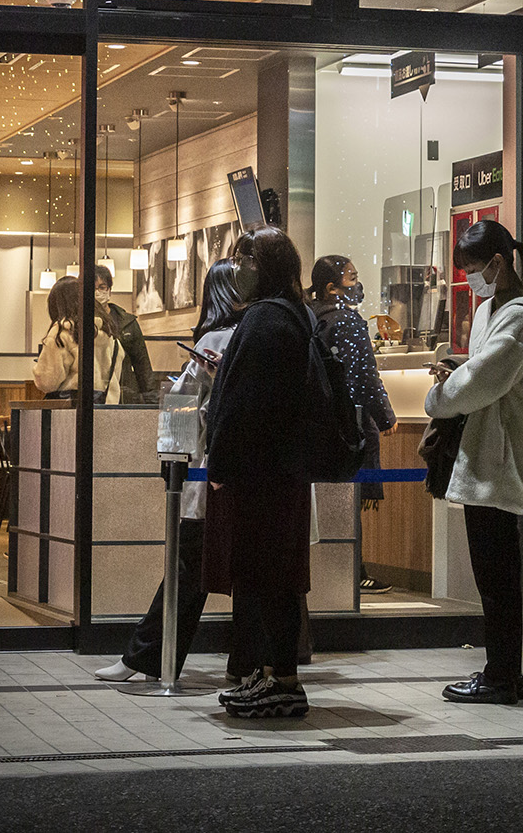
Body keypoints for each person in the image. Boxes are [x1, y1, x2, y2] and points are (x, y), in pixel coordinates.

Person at [93, 257, 246, 684]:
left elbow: (182, 406)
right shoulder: (259, 334)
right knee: (252, 578)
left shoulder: (217, 339)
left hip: (212, 477)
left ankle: (146, 658)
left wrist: (172, 462)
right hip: (256, 478)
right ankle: (250, 664)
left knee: (186, 571)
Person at [427, 220, 523, 705]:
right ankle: (503, 673)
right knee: (494, 578)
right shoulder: (491, 310)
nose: (469, 279)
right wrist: (458, 372)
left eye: (473, 269)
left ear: (498, 263)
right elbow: (482, 373)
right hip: (486, 456)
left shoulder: (519, 317)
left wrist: (440, 397)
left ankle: (502, 676)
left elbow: (485, 379)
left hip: (501, 460)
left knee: (498, 579)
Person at [204, 226, 321, 718]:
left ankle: (282, 681)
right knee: (274, 575)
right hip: (282, 469)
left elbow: (244, 403)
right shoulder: (292, 313)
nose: (237, 268)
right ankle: (272, 674)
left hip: (261, 473)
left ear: (263, 265)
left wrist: (221, 463)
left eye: (244, 258)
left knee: (265, 575)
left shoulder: (265, 318)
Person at [308, 254, 398, 596]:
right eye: (352, 278)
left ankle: (335, 577)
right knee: (349, 499)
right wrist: (385, 415)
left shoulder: (309, 316)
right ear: (332, 288)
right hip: (348, 422)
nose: (358, 285)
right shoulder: (347, 320)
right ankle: (353, 573)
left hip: (317, 423)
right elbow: (363, 375)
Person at [33, 275, 124, 402]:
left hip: (71, 409)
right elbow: (116, 375)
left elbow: (47, 382)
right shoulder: (109, 334)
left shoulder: (62, 333)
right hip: (106, 407)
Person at [94, 263, 157, 403]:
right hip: (92, 394)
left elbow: (142, 364)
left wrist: (151, 399)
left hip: (123, 394)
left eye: (102, 287)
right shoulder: (79, 322)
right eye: (93, 288)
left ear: (109, 290)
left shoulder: (127, 322)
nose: (98, 292)